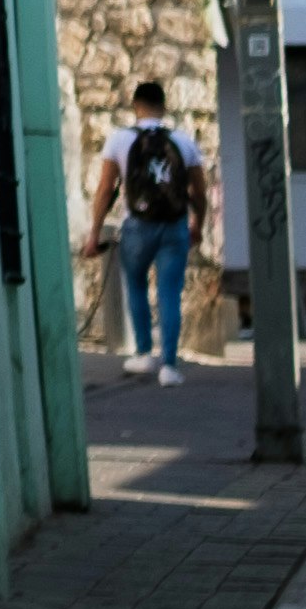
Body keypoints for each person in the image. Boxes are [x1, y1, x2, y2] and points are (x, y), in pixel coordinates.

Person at [107, 80, 208, 384]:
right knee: (169, 292)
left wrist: (95, 231)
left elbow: (104, 191)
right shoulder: (184, 140)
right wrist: (198, 225)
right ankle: (169, 366)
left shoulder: (119, 140)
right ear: (164, 107)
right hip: (174, 225)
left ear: (136, 105)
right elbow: (199, 192)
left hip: (136, 225)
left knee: (136, 285)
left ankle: (143, 354)